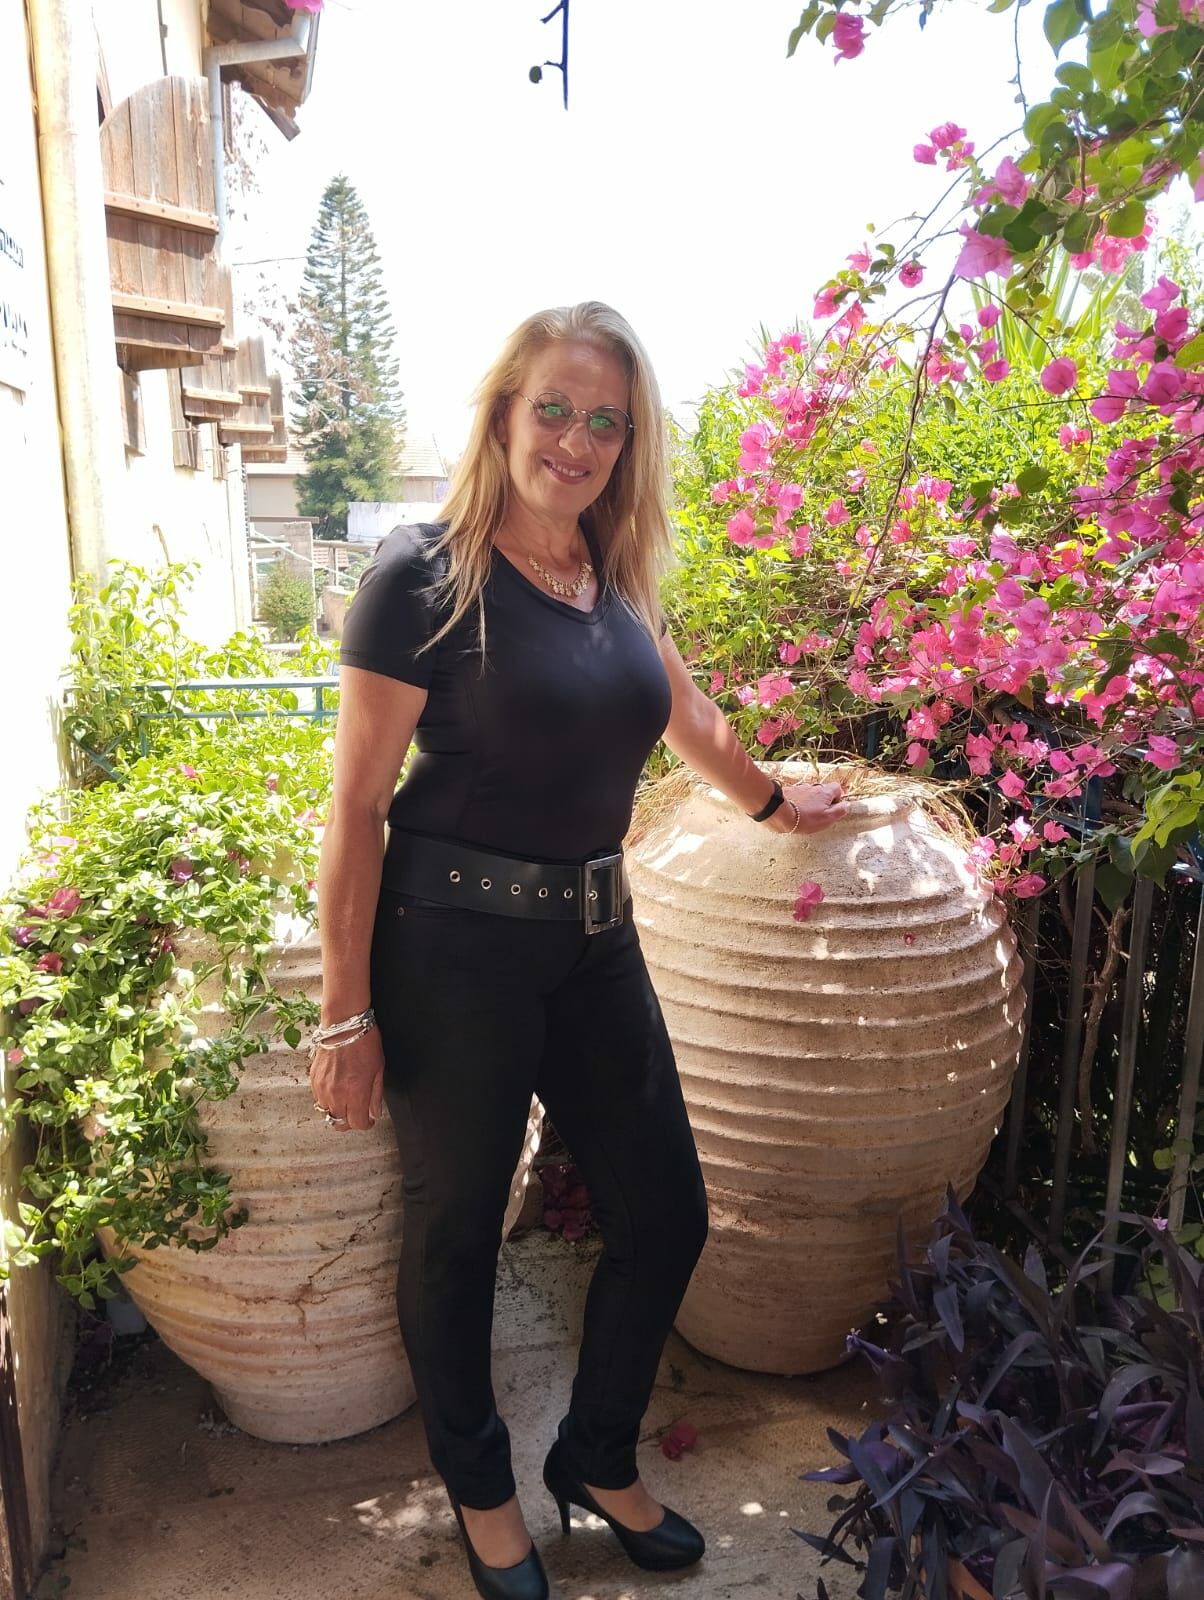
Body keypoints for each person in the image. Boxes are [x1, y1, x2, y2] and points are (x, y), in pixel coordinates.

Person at [309, 301, 848, 1600]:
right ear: (504, 413)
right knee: (457, 1237)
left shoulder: (610, 581)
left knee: (667, 1215)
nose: (577, 440)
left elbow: (686, 711)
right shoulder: (423, 579)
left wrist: (777, 803)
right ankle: (483, 1486)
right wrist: (344, 1014)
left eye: (606, 421)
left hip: (598, 945)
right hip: (452, 955)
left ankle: (597, 1456)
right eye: (553, 408)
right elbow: (356, 807)